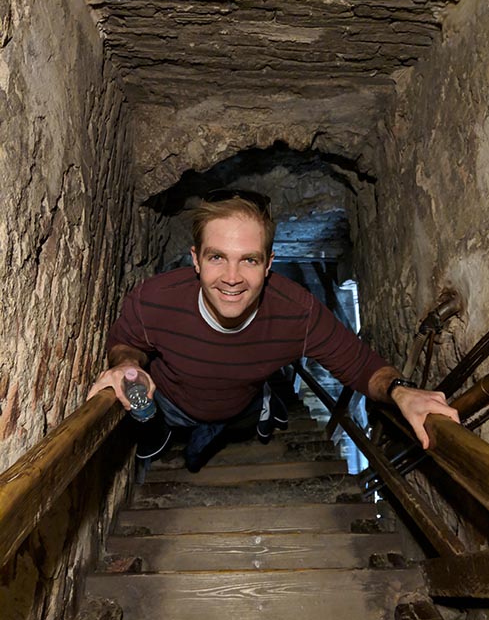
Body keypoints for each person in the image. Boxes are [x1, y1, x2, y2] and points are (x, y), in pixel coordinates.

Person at [87, 189, 460, 471]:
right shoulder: (154, 299)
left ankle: (255, 416)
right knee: (174, 435)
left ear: (268, 264)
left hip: (240, 410)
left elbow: (361, 365)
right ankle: (167, 436)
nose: (232, 279)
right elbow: (128, 343)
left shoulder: (298, 313)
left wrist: (400, 392)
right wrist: (124, 365)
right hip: (173, 405)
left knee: (217, 438)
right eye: (217, 257)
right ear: (196, 260)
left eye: (249, 260)